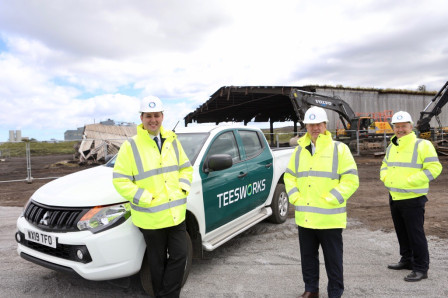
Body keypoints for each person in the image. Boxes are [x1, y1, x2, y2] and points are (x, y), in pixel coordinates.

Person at [112, 95, 193, 297]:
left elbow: (186, 168)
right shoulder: (130, 146)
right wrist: (145, 198)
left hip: (176, 213)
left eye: (156, 115)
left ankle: (168, 295)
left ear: (162, 116)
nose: (153, 120)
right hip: (151, 217)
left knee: (180, 256)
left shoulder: (172, 140)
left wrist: (182, 189)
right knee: (157, 263)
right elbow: (120, 180)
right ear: (141, 118)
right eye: (148, 116)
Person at [285, 106, 359, 298]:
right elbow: (289, 176)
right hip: (306, 216)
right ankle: (311, 289)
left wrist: (332, 198)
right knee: (308, 258)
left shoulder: (339, 149)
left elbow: (351, 180)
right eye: (310, 125)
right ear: (306, 127)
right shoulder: (300, 150)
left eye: (318, 124)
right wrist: (295, 197)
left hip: (329, 217)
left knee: (333, 259)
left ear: (325, 125)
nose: (314, 128)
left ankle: (335, 292)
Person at [381, 111, 442, 282]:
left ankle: (421, 268)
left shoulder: (422, 145)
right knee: (402, 231)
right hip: (394, 195)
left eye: (403, 126)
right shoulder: (392, 146)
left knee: (416, 234)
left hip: (413, 197)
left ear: (411, 126)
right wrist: (385, 177)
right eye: (397, 126)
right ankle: (407, 260)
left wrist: (411, 181)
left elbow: (434, 168)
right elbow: (385, 165)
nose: (400, 129)